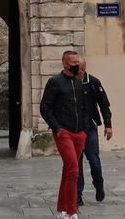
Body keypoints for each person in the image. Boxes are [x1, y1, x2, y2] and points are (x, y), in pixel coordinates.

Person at [39, 49, 91, 219]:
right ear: (65, 63)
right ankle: (72, 211)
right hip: (64, 132)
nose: (78, 65)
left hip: (79, 133)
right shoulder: (55, 82)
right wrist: (57, 128)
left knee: (68, 170)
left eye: (78, 63)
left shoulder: (78, 82)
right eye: (75, 63)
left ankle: (61, 210)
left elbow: (84, 107)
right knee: (74, 171)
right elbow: (45, 107)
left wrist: (84, 130)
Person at [76, 58, 112, 206]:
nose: (79, 72)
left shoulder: (93, 83)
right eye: (77, 69)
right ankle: (77, 194)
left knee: (94, 160)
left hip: (90, 128)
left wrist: (108, 125)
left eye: (81, 69)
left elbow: (104, 105)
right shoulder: (69, 83)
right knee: (76, 163)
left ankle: (99, 185)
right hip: (74, 129)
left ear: (85, 68)